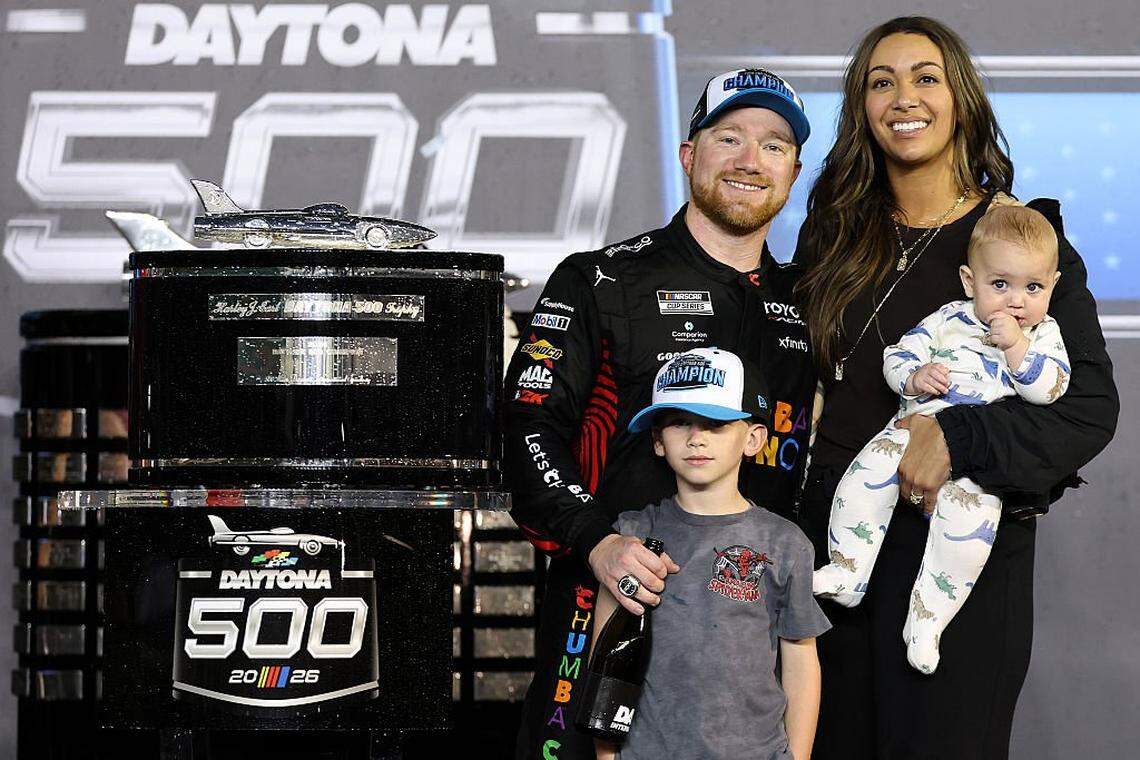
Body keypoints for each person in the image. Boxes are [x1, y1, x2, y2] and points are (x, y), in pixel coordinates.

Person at [793, 16, 1118, 759]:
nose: (904, 97)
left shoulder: (1020, 242)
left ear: (961, 100)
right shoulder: (834, 232)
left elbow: (1088, 411)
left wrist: (956, 438)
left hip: (953, 547)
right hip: (837, 544)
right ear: (863, 109)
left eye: (926, 77)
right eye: (881, 82)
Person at [505, 68, 817, 759]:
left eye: (773, 146)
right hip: (611, 607)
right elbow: (526, 428)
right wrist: (598, 544)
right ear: (688, 154)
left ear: (793, 173)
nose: (749, 160)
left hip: (746, 641)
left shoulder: (810, 300)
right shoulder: (600, 279)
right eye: (729, 137)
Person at [813, 205, 1069, 675]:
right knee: (862, 479)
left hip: (976, 462)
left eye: (1033, 288)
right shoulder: (949, 317)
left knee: (966, 541)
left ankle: (928, 621)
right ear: (970, 282)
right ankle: (847, 569)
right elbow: (897, 354)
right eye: (1000, 285)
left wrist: (1016, 347)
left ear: (1052, 286)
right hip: (912, 431)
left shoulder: (1043, 335)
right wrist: (913, 376)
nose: (1016, 301)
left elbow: (1049, 389)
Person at [590, 347, 829, 760]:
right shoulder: (631, 537)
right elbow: (604, 657)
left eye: (715, 423)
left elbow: (801, 661)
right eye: (679, 422)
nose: (695, 437)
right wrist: (607, 757)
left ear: (753, 439)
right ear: (658, 441)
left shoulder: (785, 543)